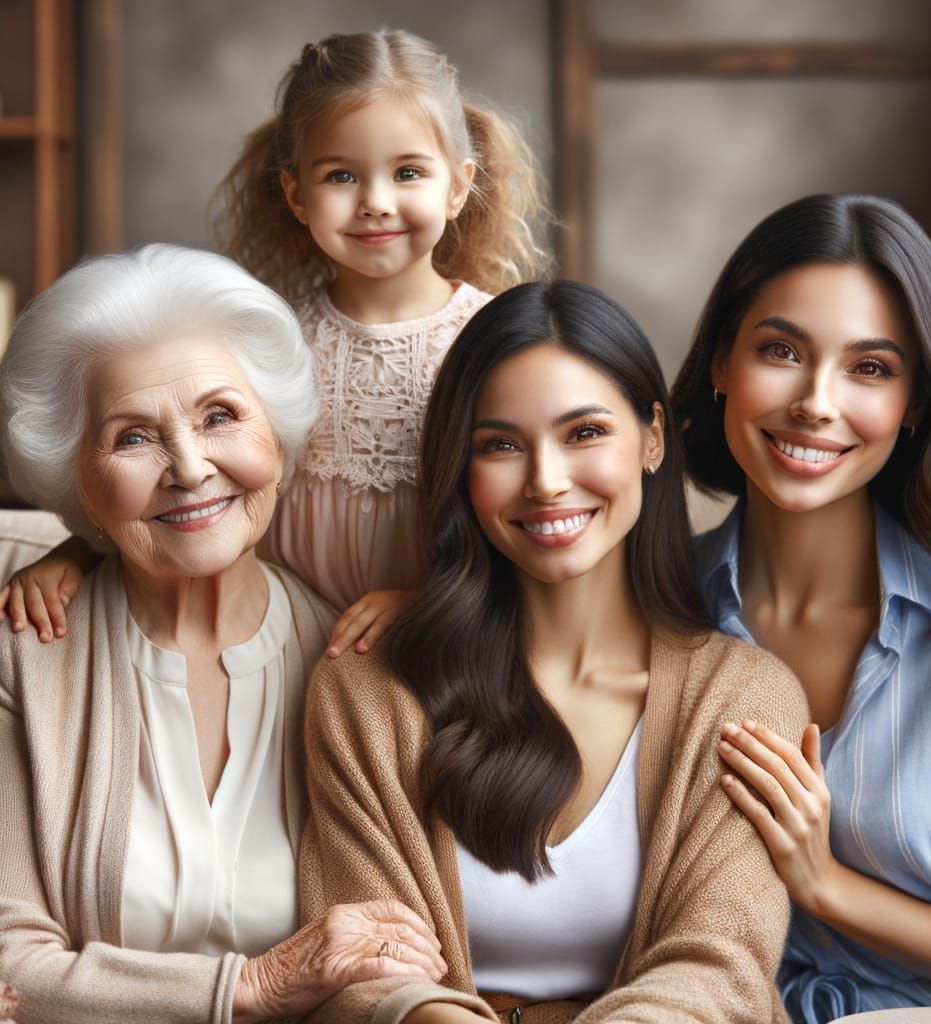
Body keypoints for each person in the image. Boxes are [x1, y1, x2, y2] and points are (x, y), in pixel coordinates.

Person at [298, 281, 809, 1023]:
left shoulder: (743, 700)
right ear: (461, 469)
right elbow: (365, 977)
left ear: (654, 439)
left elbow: (717, 970)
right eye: (501, 445)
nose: (545, 481)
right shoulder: (369, 689)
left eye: (585, 433)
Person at [0, 245, 446, 1024]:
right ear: (80, 484)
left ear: (277, 434)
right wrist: (252, 988)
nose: (190, 467)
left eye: (219, 416)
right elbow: (9, 965)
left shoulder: (356, 668)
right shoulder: (25, 648)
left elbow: (396, 955)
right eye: (132, 437)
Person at [0, 29, 550, 657]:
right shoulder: (263, 345)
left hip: (448, 643)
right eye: (341, 175)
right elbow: (177, 490)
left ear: (457, 186)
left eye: (407, 173)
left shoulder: (499, 344)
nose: (374, 202)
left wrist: (428, 607)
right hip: (286, 648)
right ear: (296, 194)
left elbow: (528, 511)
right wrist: (73, 554)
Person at [671, 194, 931, 1024]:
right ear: (722, 363)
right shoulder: (659, 606)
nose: (816, 402)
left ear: (915, 406)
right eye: (781, 350)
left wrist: (826, 885)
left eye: (870, 368)